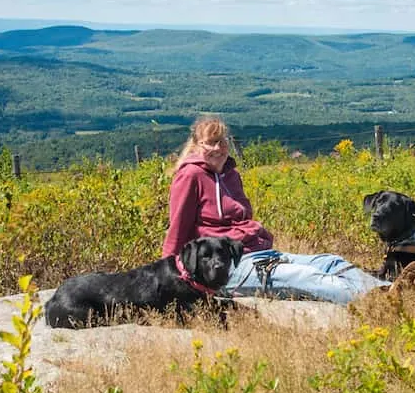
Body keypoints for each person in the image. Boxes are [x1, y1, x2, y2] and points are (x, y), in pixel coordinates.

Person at [162, 115, 396, 305]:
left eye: (222, 141)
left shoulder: (230, 175)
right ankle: (375, 303)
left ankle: (391, 291)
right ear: (196, 146)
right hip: (227, 266)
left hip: (258, 253)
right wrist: (170, 277)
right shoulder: (190, 175)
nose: (219, 148)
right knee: (306, 277)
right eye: (210, 142)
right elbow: (178, 227)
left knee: (329, 261)